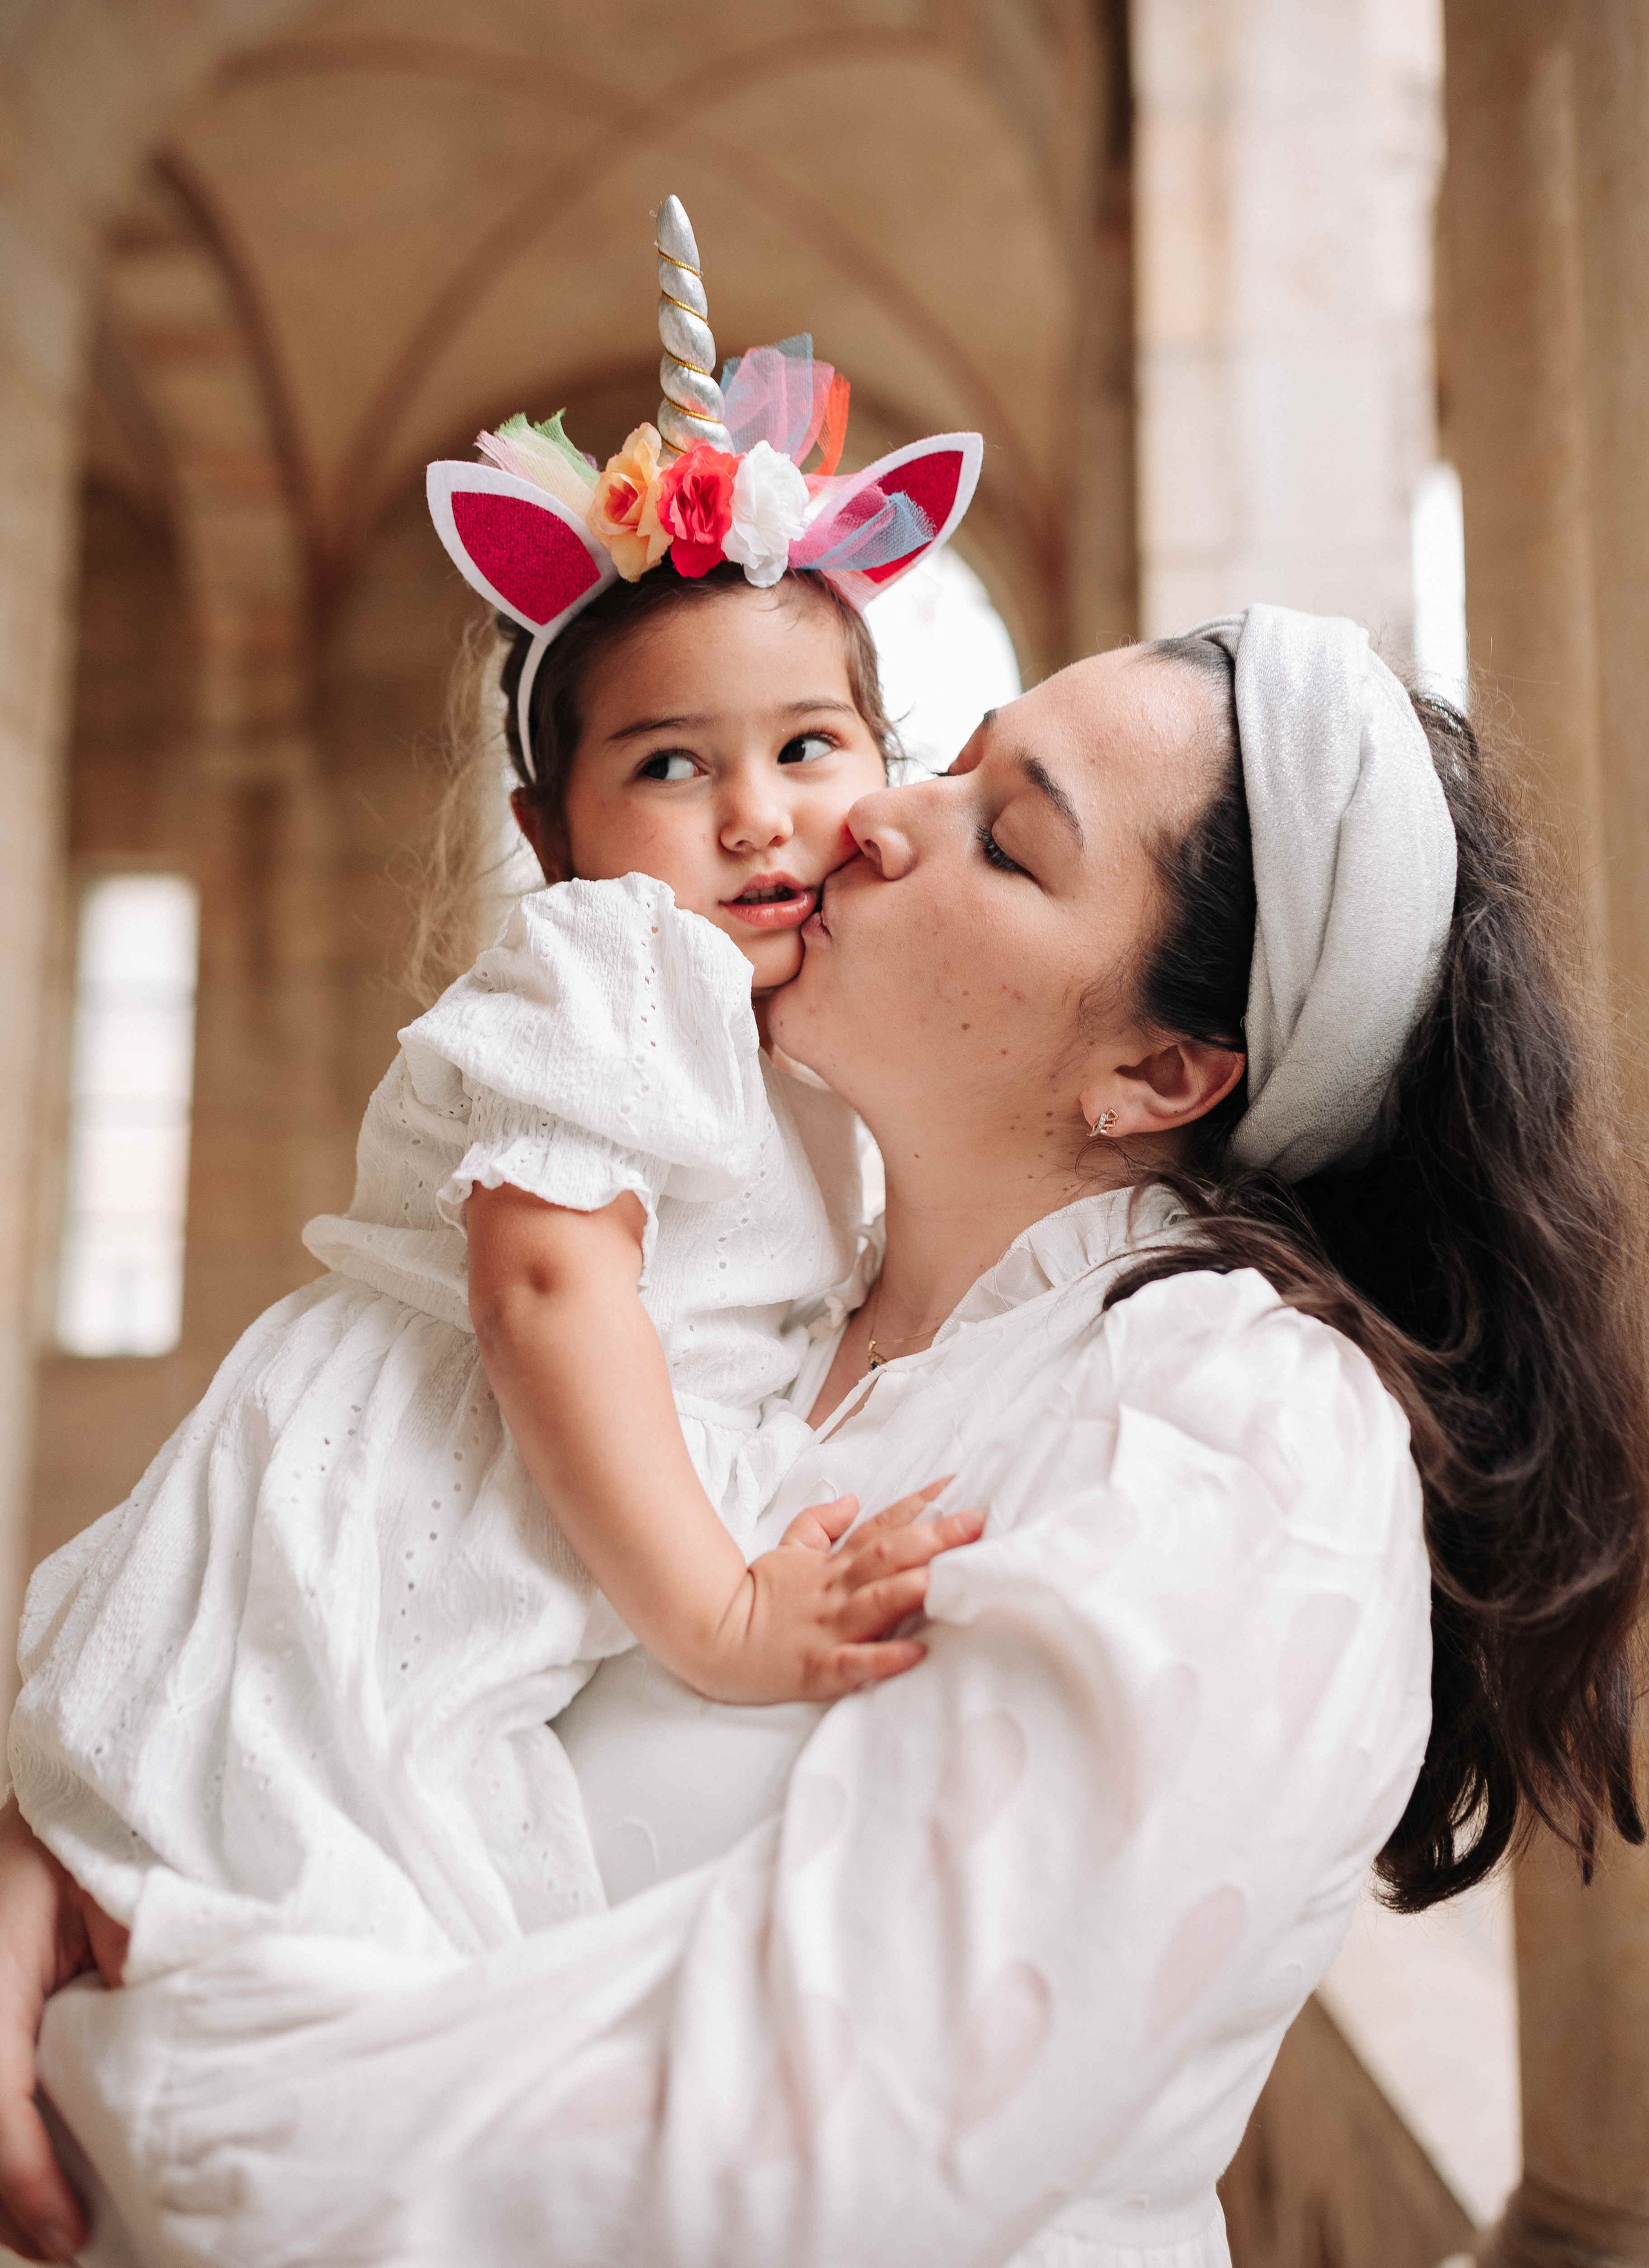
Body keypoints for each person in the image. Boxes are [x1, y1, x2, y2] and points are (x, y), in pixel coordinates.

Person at [0, 597, 1642, 2268]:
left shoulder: (1237, 1434)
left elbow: (810, 2157)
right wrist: (96, 1813)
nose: (863, 813)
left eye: (1003, 839)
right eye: (953, 759)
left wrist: (127, 2058)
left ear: (1159, 1071)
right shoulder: (746, 1332)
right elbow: (366, 1579)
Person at [8, 205, 992, 1989]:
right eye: (670, 764)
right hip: (400, 1501)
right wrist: (715, 1613)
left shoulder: (799, 1002)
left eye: (807, 747)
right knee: (312, 1914)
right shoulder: (624, 964)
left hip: (532, 1511)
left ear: (886, 765)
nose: (756, 813)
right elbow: (545, 1284)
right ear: (552, 836)